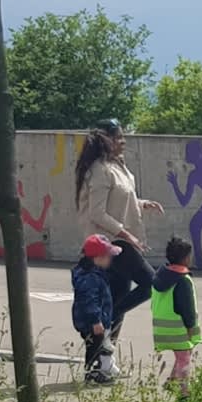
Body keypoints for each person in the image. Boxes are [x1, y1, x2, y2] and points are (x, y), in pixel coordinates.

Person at [75, 118, 164, 339]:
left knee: (118, 294)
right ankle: (107, 320)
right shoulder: (99, 170)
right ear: (105, 140)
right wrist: (126, 234)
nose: (123, 141)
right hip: (111, 243)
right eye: (118, 137)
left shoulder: (117, 166)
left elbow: (121, 199)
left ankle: (104, 354)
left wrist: (142, 204)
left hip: (120, 240)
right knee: (151, 283)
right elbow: (97, 212)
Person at [150, 236, 201, 396]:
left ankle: (172, 382)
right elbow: (188, 309)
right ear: (186, 258)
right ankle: (183, 392)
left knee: (181, 356)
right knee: (185, 358)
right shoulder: (183, 280)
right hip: (178, 328)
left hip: (161, 328)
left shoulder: (159, 277)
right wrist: (191, 328)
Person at [72, 234, 121, 384]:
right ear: (97, 258)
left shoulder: (95, 274)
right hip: (92, 322)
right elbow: (90, 300)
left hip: (96, 319)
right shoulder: (90, 278)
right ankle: (95, 372)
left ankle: (105, 368)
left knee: (100, 346)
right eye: (108, 256)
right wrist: (95, 320)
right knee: (95, 348)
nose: (110, 260)